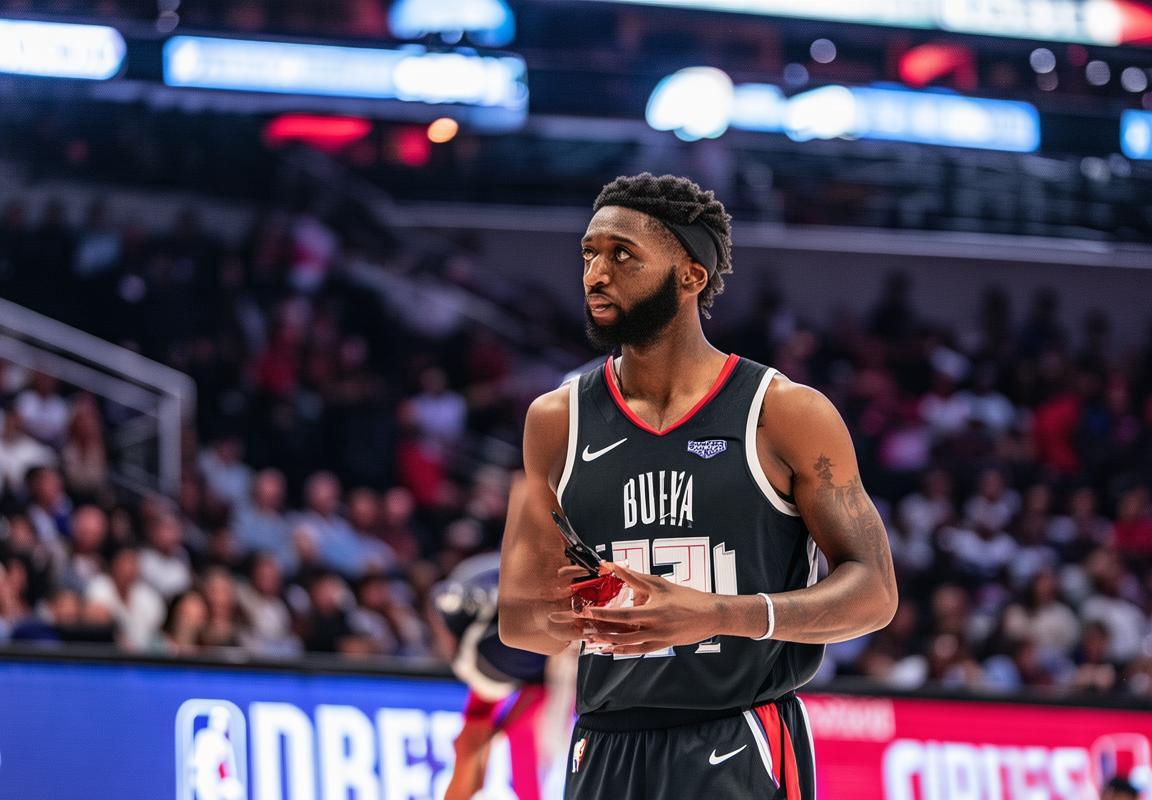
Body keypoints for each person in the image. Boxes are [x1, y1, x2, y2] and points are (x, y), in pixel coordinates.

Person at [498, 173, 898, 799]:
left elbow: (875, 592)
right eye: (589, 254)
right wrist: (580, 608)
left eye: (622, 255)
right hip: (603, 746)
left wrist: (716, 615)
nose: (596, 274)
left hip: (741, 735)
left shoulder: (783, 411)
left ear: (691, 275)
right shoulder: (554, 420)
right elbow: (520, 622)